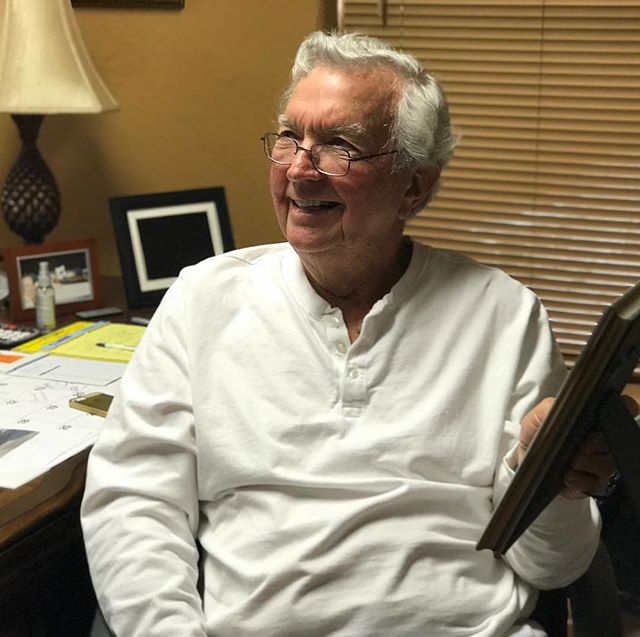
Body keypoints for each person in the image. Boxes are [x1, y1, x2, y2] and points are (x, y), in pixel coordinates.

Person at [81, 31, 620, 636]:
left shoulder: (504, 314)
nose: (300, 168)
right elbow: (134, 504)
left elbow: (551, 566)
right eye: (290, 137)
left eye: (339, 145)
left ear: (414, 186)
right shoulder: (203, 299)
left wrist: (547, 475)